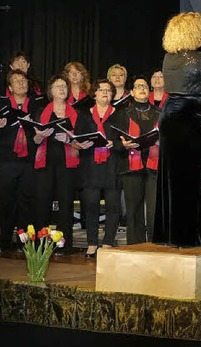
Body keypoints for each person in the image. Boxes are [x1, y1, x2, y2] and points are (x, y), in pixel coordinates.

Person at [153, 12, 201, 247]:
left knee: (169, 177)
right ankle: (186, 236)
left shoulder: (168, 58)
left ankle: (166, 234)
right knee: (191, 178)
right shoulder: (200, 59)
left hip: (169, 114)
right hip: (190, 115)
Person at [32, 75, 81, 254]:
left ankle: (63, 245)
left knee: (66, 204)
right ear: (50, 91)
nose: (62, 89)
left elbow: (80, 143)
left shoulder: (75, 113)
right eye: (57, 86)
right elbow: (35, 140)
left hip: (66, 165)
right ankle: (39, 245)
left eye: (64, 86)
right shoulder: (41, 111)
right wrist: (41, 135)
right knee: (42, 204)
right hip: (45, 164)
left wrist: (69, 139)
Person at [74, 79, 119, 257]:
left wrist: (113, 143)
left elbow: (125, 141)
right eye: (101, 90)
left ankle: (108, 242)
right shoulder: (84, 115)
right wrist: (78, 144)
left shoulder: (120, 114)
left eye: (108, 90)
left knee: (113, 206)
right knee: (90, 205)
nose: (105, 92)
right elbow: (76, 139)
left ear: (113, 94)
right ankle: (91, 243)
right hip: (90, 166)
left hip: (112, 165)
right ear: (94, 93)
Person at [113, 76, 161, 245]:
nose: (142, 88)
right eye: (138, 86)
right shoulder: (122, 114)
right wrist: (123, 145)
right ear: (132, 92)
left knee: (155, 209)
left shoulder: (160, 113)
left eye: (145, 86)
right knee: (133, 210)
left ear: (150, 91)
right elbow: (114, 141)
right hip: (131, 166)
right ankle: (135, 246)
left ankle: (155, 245)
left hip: (155, 166)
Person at [0, 70, 40, 252]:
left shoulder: (36, 106)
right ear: (9, 87)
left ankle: (24, 242)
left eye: (24, 80)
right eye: (16, 81)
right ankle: (4, 241)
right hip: (6, 161)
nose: (21, 84)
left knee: (27, 202)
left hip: (29, 160)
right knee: (6, 201)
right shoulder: (2, 105)